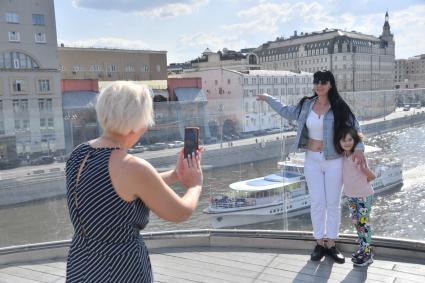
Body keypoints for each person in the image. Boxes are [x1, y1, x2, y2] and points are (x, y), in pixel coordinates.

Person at [65, 81, 203, 282]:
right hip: (121, 268)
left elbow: (116, 192)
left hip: (82, 263)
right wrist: (195, 185)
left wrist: (174, 175)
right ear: (137, 121)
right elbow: (180, 212)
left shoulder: (79, 153)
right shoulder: (131, 167)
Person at [256, 70, 365, 264]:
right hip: (312, 159)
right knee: (316, 202)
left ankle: (331, 242)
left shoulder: (339, 106)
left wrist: (359, 149)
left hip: (334, 160)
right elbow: (287, 111)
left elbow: (356, 127)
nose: (319, 85)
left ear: (330, 84)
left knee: (332, 203)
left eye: (323, 82)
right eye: (316, 82)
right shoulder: (307, 104)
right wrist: (268, 98)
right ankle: (319, 243)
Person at [336, 127, 375, 266]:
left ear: (355, 141)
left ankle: (368, 254)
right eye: (343, 140)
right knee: (357, 224)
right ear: (339, 142)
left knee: (364, 225)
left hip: (363, 196)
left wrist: (364, 174)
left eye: (350, 139)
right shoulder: (343, 156)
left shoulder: (357, 157)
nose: (346, 143)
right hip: (351, 197)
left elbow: (372, 177)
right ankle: (363, 249)